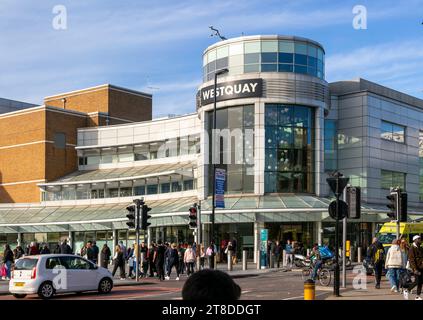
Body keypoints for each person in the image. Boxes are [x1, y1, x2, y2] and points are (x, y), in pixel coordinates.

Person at [404, 235, 423, 300]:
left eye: (420, 239)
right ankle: (407, 290)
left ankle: (417, 296)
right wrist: (414, 269)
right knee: (417, 281)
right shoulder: (412, 248)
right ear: (415, 240)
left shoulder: (420, 248)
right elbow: (411, 260)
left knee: (420, 282)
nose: (420, 240)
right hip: (416, 268)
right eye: (419, 239)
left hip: (421, 267)